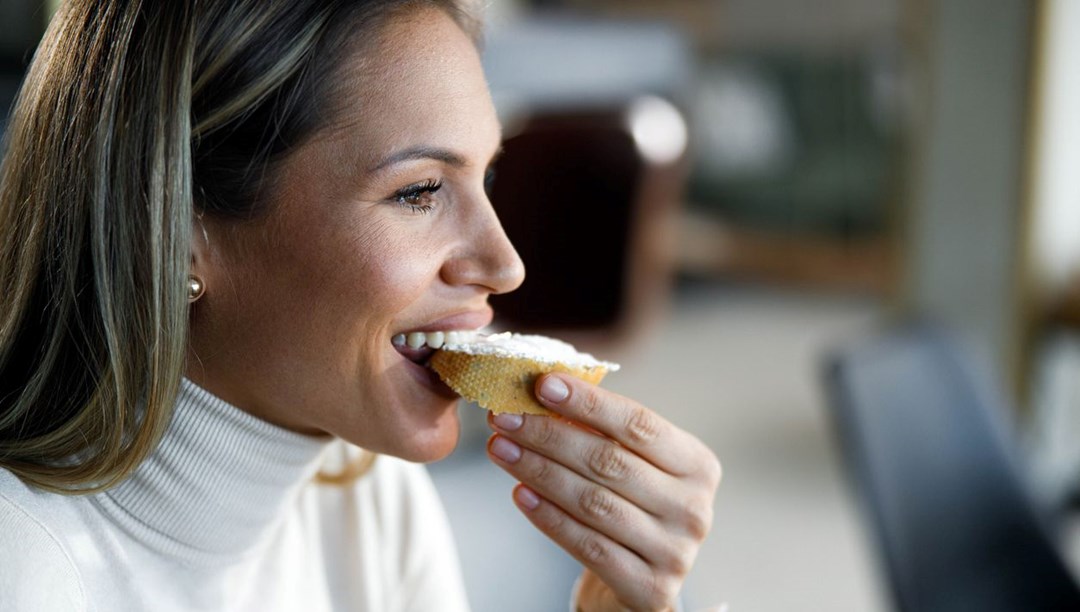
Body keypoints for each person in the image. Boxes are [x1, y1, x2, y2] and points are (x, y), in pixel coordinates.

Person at [0, 1, 722, 610]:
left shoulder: (369, 498)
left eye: (488, 177)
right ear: (177, 227)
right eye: (419, 192)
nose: (506, 266)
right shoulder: (27, 569)